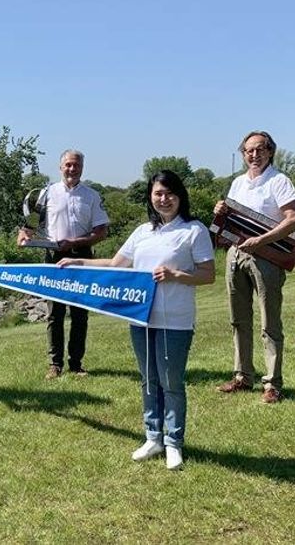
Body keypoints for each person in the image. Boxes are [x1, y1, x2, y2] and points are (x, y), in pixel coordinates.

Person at [58, 170, 215, 470]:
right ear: (151, 197)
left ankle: (174, 443)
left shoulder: (194, 230)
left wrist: (176, 275)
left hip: (175, 321)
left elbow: (208, 275)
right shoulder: (143, 232)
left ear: (180, 196)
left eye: (169, 193)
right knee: (148, 380)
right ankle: (153, 437)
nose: (164, 199)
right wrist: (79, 261)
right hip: (141, 318)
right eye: (158, 193)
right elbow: (116, 265)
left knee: (171, 383)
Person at [215, 131, 295, 404]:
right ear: (243, 154)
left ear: (270, 152)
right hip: (235, 255)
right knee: (238, 319)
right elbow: (231, 220)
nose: (254, 155)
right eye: (248, 150)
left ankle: (272, 384)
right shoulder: (238, 183)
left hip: (267, 257)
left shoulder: (279, 180)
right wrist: (221, 210)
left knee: (269, 322)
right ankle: (242, 377)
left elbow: (294, 219)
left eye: (259, 150)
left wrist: (262, 240)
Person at [18, 150, 109, 379]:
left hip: (82, 257)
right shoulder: (46, 194)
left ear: (82, 168)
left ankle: (76, 364)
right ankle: (54, 364)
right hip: (53, 258)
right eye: (68, 165)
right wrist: (23, 235)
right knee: (54, 314)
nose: (72, 169)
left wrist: (76, 242)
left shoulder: (92, 196)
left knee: (80, 313)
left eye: (76, 165)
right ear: (60, 167)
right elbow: (28, 225)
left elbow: (101, 232)